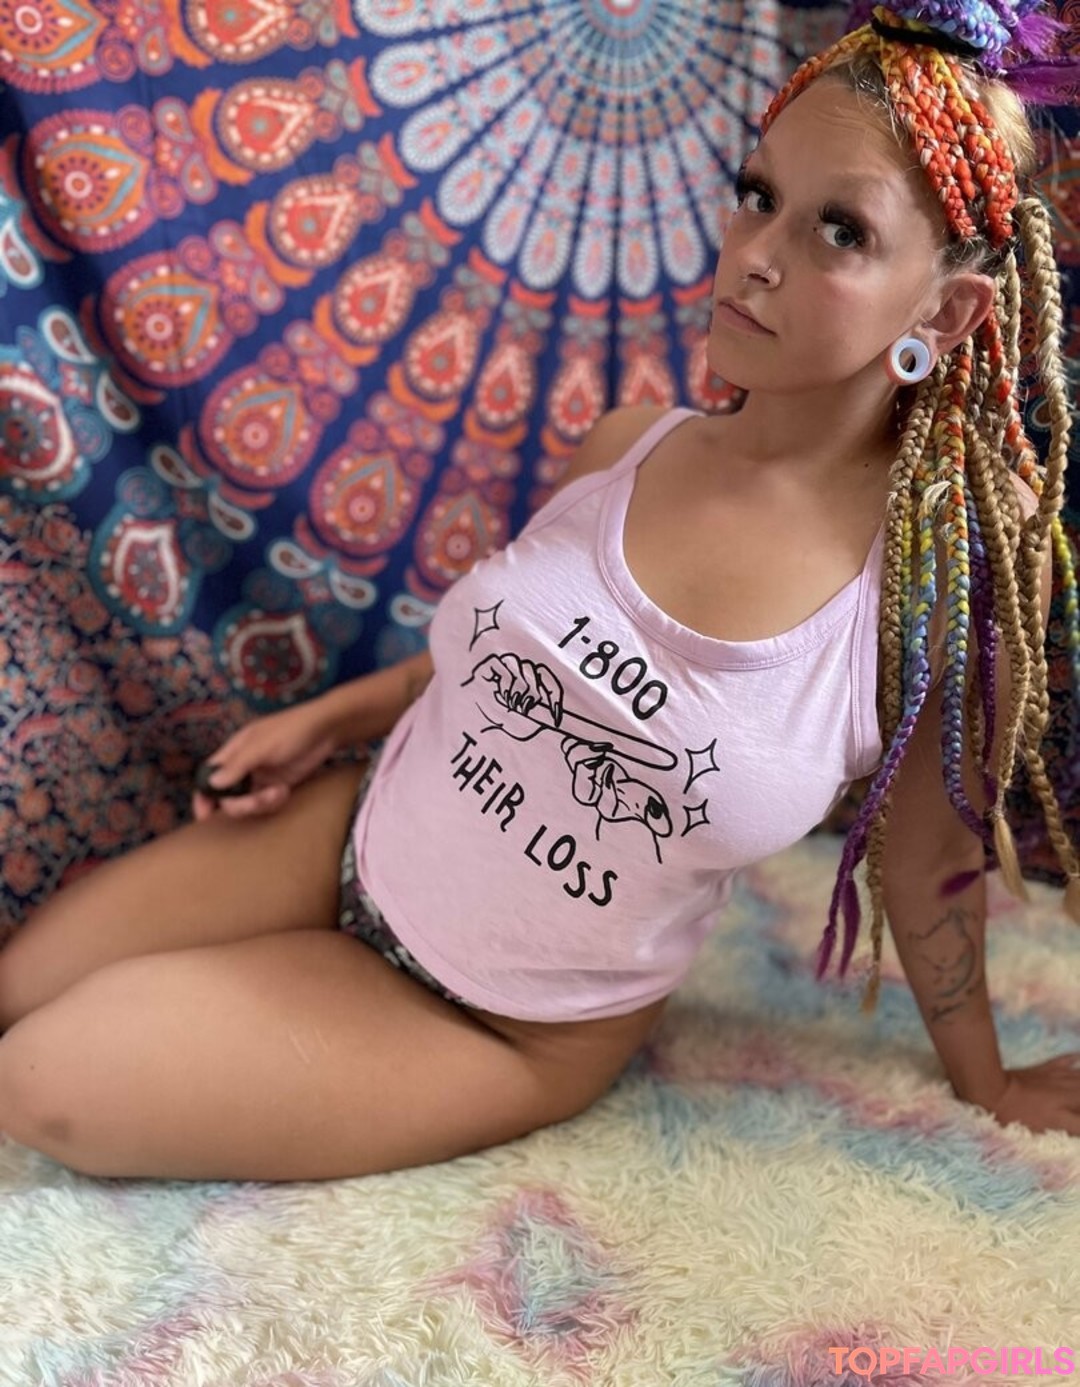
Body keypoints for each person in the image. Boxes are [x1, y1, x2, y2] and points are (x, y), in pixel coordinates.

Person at [1, 1, 1079, 1182]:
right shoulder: (627, 445)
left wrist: (985, 1078)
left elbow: (927, 857)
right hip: (349, 834)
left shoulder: (929, 588)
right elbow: (499, 658)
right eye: (758, 193)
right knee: (19, 986)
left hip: (497, 1022)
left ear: (944, 310)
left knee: (40, 1076)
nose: (759, 253)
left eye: (840, 230)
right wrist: (327, 718)